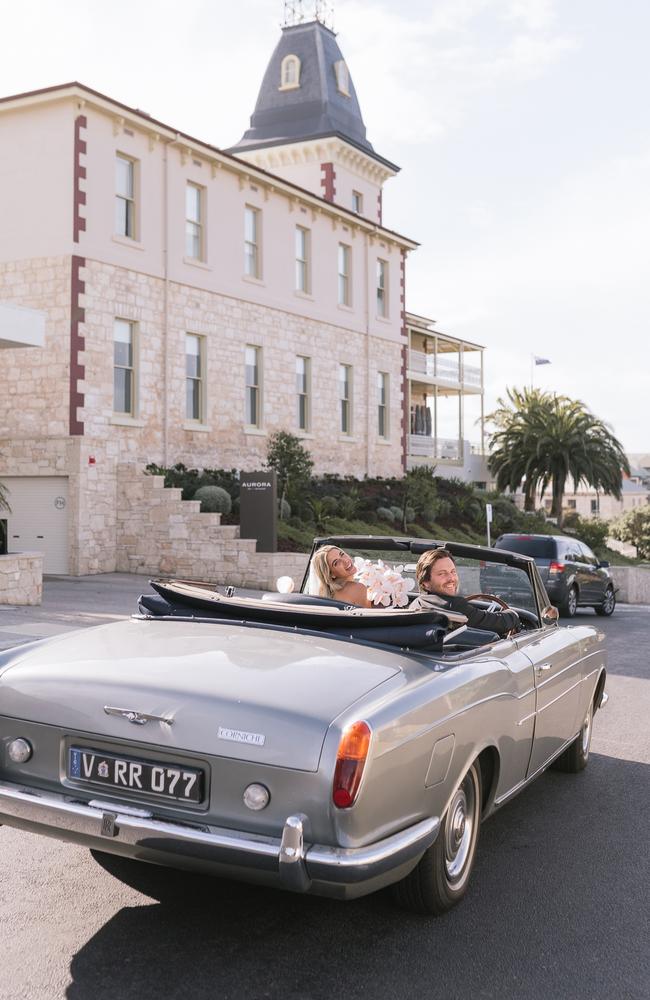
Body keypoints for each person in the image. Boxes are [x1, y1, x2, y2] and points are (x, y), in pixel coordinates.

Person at [415, 548, 519, 637]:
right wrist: (512, 614)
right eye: (442, 574)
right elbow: (500, 623)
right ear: (425, 583)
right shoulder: (454, 605)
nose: (451, 578)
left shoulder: (416, 604)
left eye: (453, 571)